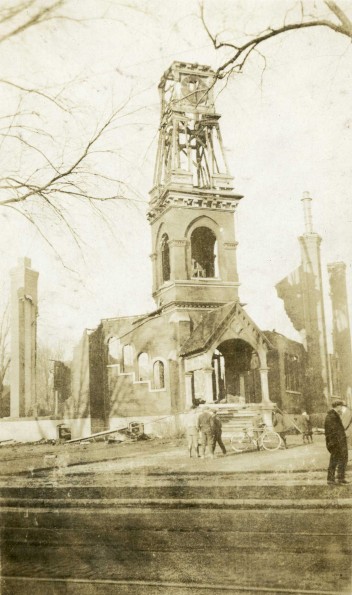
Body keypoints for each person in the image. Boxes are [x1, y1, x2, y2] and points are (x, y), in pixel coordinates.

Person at [324, 399, 349, 485]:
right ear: (337, 406)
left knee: (342, 459)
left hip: (338, 442)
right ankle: (331, 479)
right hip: (335, 443)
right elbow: (332, 431)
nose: (342, 408)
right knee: (334, 461)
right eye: (341, 407)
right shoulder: (331, 416)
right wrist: (336, 442)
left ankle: (340, 478)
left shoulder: (334, 415)